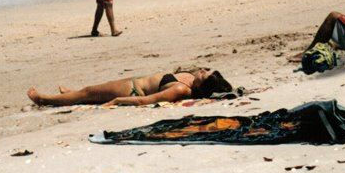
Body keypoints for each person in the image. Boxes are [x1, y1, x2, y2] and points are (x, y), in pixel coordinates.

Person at [27, 68, 232, 107]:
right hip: (133, 82)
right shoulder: (191, 79)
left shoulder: (181, 90)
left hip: (130, 90)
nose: (202, 70)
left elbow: (146, 100)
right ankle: (71, 94)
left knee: (87, 93)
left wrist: (117, 101)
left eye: (204, 74)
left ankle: (44, 99)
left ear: (201, 84)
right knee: (89, 93)